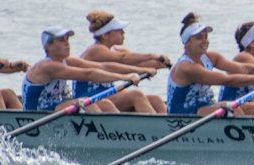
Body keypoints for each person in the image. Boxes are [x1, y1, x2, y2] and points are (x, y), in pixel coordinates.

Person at [21, 27, 155, 113]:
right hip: (38, 113)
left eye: (67, 39)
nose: (67, 43)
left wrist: (140, 70)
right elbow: (88, 74)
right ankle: (108, 137)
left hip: (56, 107)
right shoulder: (47, 66)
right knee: (86, 102)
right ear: (48, 46)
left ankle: (125, 135)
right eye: (61, 40)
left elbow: (103, 66)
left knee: (106, 105)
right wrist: (124, 78)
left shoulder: (67, 61)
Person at [165, 14, 254, 116]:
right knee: (234, 108)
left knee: (250, 107)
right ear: (187, 43)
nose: (205, 41)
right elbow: (227, 80)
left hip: (203, 108)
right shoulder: (185, 67)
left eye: (206, 37)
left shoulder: (210, 57)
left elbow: (242, 68)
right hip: (182, 115)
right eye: (199, 38)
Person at [82, 9, 170, 113]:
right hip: (91, 99)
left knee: (155, 99)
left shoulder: (116, 50)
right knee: (136, 95)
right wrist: (153, 55)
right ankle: (155, 127)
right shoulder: (95, 50)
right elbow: (123, 58)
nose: (123, 32)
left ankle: (169, 126)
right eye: (119, 30)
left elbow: (137, 63)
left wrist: (162, 64)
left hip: (108, 96)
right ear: (105, 35)